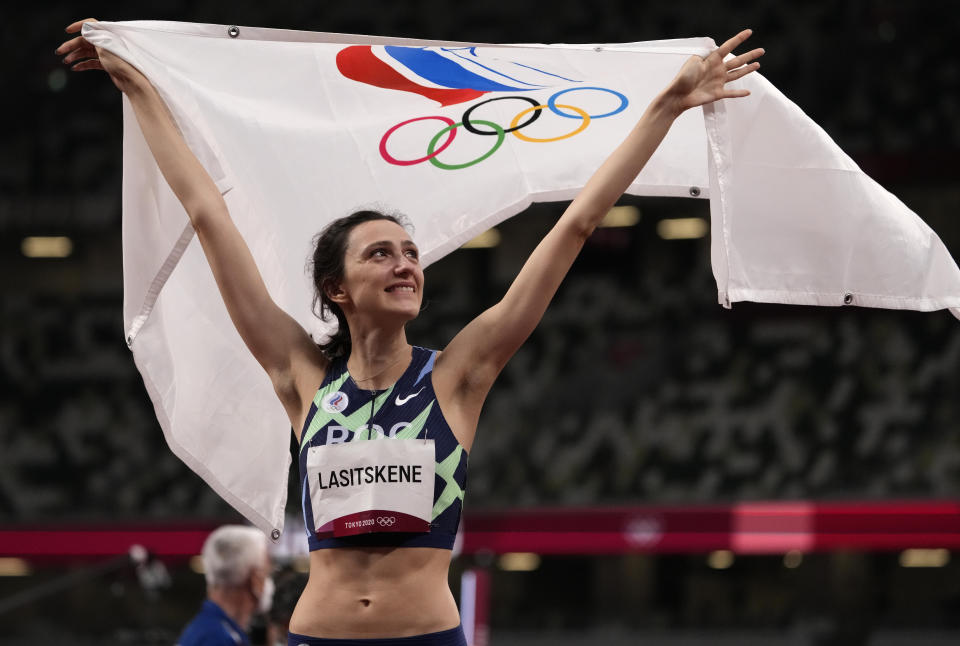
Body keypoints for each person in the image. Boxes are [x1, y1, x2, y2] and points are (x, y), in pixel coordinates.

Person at [58, 18, 762, 646]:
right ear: (337, 289)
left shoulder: (458, 375)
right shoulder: (302, 376)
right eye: (380, 254)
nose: (405, 264)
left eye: (410, 253)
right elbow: (209, 216)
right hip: (316, 636)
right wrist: (139, 84)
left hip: (425, 637)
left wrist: (666, 107)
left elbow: (576, 224)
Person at [177, 525, 275, 646]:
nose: (268, 582)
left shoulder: (210, 630)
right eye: (266, 573)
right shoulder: (217, 639)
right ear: (254, 579)